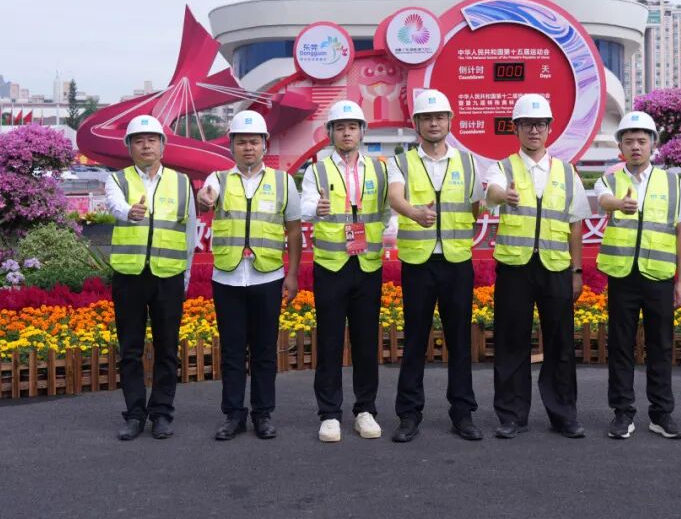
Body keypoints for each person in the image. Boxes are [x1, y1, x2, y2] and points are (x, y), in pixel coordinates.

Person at [485, 93, 592, 439]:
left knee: (560, 344)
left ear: (549, 129)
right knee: (511, 342)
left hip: (556, 268)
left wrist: (577, 271)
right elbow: (492, 193)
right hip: (515, 268)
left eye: (540, 124)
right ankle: (511, 415)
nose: (534, 130)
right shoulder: (502, 168)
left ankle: (564, 415)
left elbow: (575, 224)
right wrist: (503, 195)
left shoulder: (567, 172)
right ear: (515, 129)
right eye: (527, 124)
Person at [196, 110, 302, 441]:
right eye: (241, 142)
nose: (248, 148)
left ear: (264, 144)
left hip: (267, 277)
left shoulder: (283, 182)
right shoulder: (218, 179)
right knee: (231, 351)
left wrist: (292, 274)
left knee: (264, 351)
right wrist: (203, 199)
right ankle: (233, 415)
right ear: (232, 145)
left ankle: (263, 414)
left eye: (254, 141)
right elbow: (205, 198)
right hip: (228, 278)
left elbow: (294, 230)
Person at [388, 89, 484, 443]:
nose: (433, 123)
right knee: (415, 339)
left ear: (449, 121)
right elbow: (395, 196)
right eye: (426, 118)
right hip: (419, 262)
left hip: (457, 262)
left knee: (460, 341)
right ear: (416, 124)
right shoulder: (401, 161)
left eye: (439, 117)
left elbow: (476, 206)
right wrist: (414, 212)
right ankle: (409, 414)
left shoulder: (468, 161)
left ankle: (463, 413)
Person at [595, 111, 681, 440]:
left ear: (653, 144)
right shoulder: (610, 180)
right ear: (620, 146)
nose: (635, 147)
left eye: (641, 140)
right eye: (628, 141)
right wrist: (618, 204)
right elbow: (603, 200)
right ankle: (623, 413)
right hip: (623, 276)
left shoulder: (672, 183)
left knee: (660, 346)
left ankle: (661, 414)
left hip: (659, 277)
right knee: (620, 345)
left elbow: (680, 233)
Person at [300, 100, 390, 443]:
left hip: (367, 264)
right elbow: (305, 205)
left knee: (366, 341)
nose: (347, 133)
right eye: (340, 127)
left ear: (362, 132)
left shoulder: (379, 169)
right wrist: (317, 208)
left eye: (353, 127)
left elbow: (386, 212)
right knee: (330, 340)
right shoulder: (318, 170)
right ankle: (329, 413)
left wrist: (378, 233)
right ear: (330, 133)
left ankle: (365, 410)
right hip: (331, 266)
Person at [104, 114, 196, 441]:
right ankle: (134, 414)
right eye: (139, 141)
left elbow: (189, 233)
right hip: (129, 276)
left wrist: (185, 277)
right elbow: (115, 205)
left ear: (163, 146)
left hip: (168, 276)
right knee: (130, 349)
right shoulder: (118, 180)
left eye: (152, 140)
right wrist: (130, 212)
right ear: (129, 147)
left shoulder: (181, 182)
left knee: (167, 349)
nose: (146, 146)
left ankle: (161, 413)